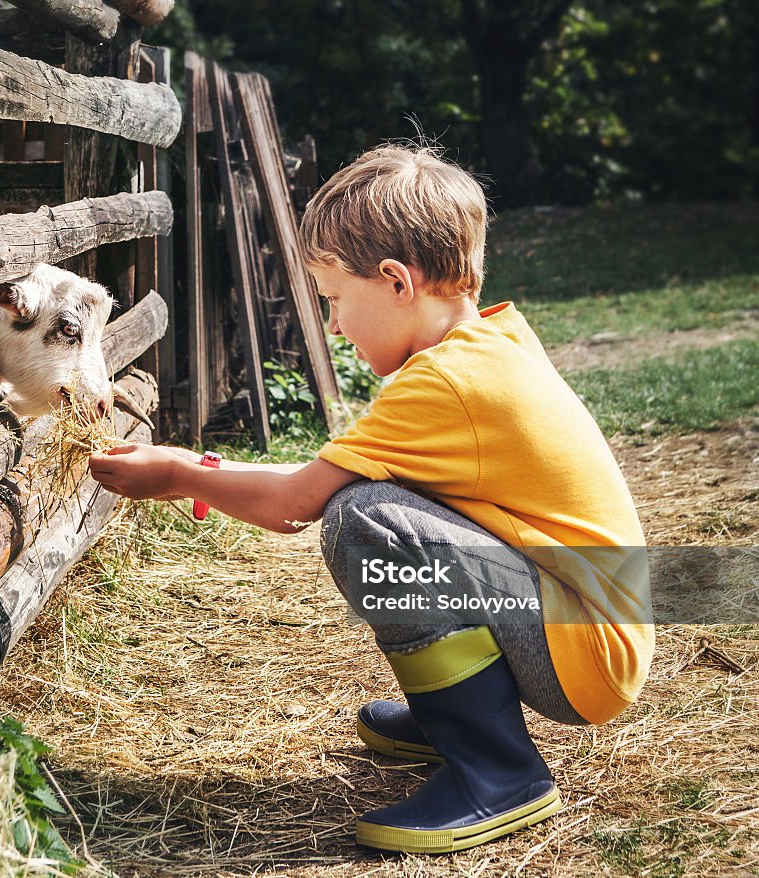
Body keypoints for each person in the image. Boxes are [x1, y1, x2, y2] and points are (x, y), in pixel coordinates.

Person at [88, 144, 653, 855]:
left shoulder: (442, 384)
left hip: (584, 651)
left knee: (367, 523)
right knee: (372, 501)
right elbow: (335, 471)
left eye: (334, 300)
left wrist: (179, 476)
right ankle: (459, 718)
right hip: (591, 626)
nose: (332, 328)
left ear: (394, 282)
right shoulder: (492, 340)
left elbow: (295, 502)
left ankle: (500, 772)